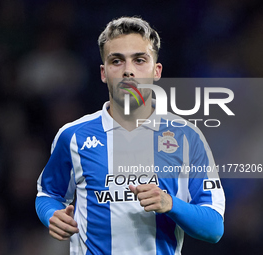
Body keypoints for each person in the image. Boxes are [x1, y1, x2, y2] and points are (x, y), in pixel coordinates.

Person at [35, 16, 225, 255]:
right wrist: (52, 215)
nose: (128, 71)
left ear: (156, 71)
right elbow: (48, 194)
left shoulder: (187, 137)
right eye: (117, 61)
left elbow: (214, 227)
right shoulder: (73, 136)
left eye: (139, 60)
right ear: (104, 73)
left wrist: (170, 204)